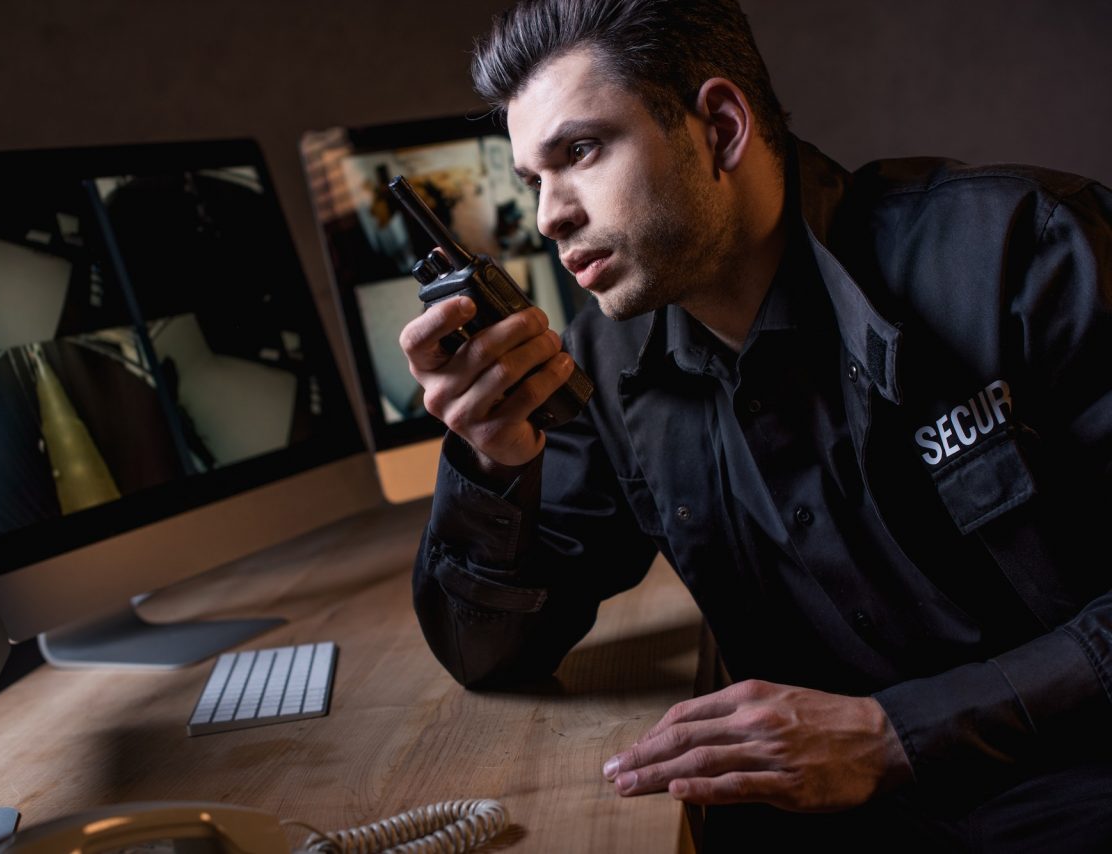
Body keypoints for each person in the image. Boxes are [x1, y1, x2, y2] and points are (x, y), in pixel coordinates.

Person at [399, 0, 1112, 849]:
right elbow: (490, 657)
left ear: (722, 128)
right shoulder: (601, 363)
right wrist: (494, 460)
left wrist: (895, 734)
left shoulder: (1026, 254)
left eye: (580, 151)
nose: (549, 215)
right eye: (533, 180)